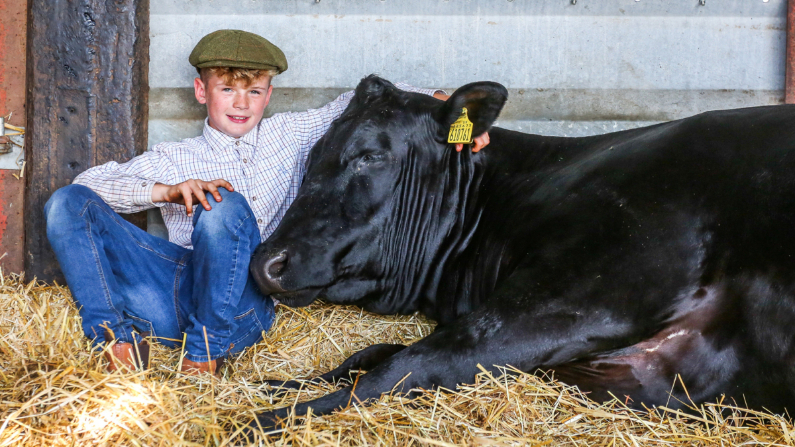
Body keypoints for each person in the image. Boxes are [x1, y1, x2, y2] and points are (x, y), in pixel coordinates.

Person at [45, 29, 489, 376]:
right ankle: (115, 342)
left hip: (241, 306)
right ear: (202, 92)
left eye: (254, 91)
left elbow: (366, 97)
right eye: (227, 90)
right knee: (67, 201)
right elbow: (90, 186)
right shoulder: (174, 157)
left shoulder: (290, 134)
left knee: (222, 206)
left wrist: (447, 104)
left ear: (268, 95)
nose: (241, 104)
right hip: (170, 297)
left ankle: (203, 359)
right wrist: (166, 191)